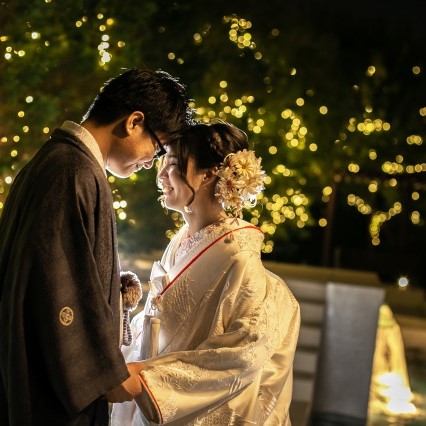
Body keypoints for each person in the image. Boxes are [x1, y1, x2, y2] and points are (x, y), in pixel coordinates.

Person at [0, 68, 193, 425]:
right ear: (134, 122)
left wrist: (111, 290)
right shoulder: (74, 171)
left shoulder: (56, 160)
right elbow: (58, 285)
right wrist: (105, 374)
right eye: (156, 148)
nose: (149, 163)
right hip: (47, 394)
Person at [111, 121, 301, 425]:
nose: (160, 175)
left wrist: (147, 380)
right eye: (161, 163)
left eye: (173, 164)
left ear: (209, 174)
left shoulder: (240, 259)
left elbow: (241, 354)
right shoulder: (183, 240)